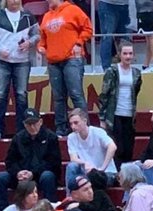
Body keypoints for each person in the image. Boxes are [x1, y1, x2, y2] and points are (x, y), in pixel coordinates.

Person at [0, 0, 40, 140]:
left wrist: (29, 43)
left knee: (22, 95)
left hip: (22, 61)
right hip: (1, 61)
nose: (15, 1)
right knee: (1, 94)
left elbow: (36, 34)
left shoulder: (27, 15)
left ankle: (22, 131)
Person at [40, 0, 92, 139]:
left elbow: (88, 28)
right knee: (58, 97)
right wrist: (41, 47)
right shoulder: (46, 16)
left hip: (72, 59)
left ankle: (84, 127)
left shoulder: (73, 10)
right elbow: (42, 38)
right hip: (53, 61)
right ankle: (61, 129)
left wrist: (79, 43)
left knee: (76, 94)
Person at [0, 109, 61, 210]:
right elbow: (10, 161)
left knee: (48, 176)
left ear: (40, 122)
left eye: (34, 123)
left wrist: (33, 173)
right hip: (21, 177)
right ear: (24, 124)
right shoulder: (18, 138)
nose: (32, 127)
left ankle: (50, 209)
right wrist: (18, 173)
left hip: (40, 176)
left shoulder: (50, 137)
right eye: (29, 124)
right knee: (1, 177)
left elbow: (54, 162)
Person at [98, 42, 143, 169]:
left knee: (129, 147)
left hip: (129, 114)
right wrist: (102, 117)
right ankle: (117, 173)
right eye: (125, 53)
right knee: (118, 148)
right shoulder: (112, 71)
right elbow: (104, 94)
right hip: (114, 114)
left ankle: (127, 173)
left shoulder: (137, 73)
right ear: (119, 55)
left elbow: (136, 91)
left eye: (130, 53)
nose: (128, 56)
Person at [65, 109, 117, 190]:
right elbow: (73, 159)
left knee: (93, 178)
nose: (73, 126)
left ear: (85, 121)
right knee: (71, 166)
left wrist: (102, 169)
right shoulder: (71, 137)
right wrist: (85, 164)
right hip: (87, 172)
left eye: (76, 123)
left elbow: (112, 147)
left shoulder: (97, 132)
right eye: (71, 124)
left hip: (106, 172)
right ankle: (70, 195)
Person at [97, 0, 133, 69]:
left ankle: (125, 67)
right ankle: (106, 69)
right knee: (107, 37)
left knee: (124, 39)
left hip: (125, 5)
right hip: (107, 4)